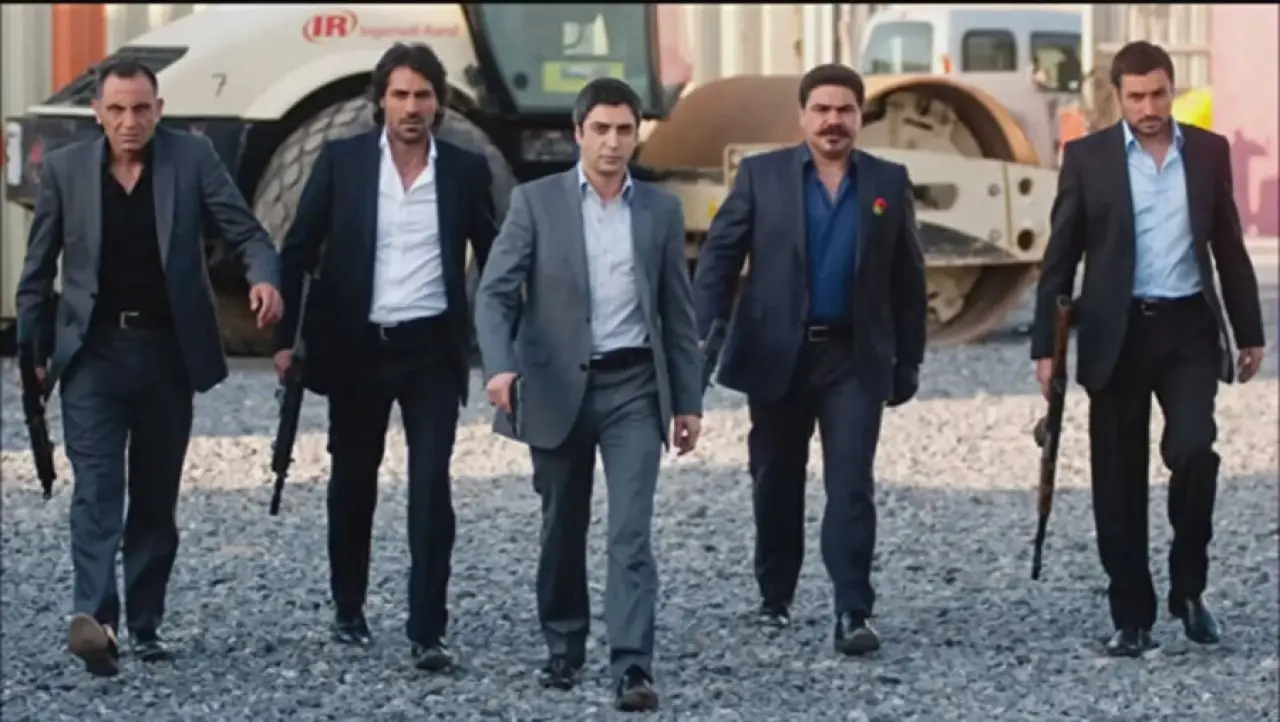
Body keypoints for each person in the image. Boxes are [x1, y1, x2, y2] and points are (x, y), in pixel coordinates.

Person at [14, 59, 283, 677]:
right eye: (116, 110)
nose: (129, 121)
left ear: (159, 110)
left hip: (166, 352)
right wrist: (33, 354)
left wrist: (264, 280)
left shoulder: (192, 159)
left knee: (156, 498)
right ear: (98, 114)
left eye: (141, 109)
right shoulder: (66, 171)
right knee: (96, 490)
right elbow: (37, 273)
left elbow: (247, 233)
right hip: (93, 353)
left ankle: (144, 622)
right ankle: (96, 623)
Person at [1030, 41, 1265, 658]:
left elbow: (1228, 246)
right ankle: (1131, 616)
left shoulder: (1207, 152)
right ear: (1118, 96)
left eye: (1159, 94)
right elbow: (1060, 257)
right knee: (1117, 479)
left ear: (1172, 89)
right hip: (1116, 333)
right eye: (1136, 97)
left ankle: (1189, 590)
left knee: (1195, 452)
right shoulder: (1088, 158)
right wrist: (1046, 349)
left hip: (1188, 329)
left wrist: (1250, 331)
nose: (1149, 107)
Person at [474, 78, 702, 712]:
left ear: (637, 135)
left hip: (634, 388)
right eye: (600, 129)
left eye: (624, 130)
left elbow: (676, 313)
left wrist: (687, 401)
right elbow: (494, 293)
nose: (612, 142)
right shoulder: (535, 203)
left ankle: (632, 664)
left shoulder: (659, 212)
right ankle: (564, 644)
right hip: (553, 387)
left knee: (630, 531)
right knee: (562, 524)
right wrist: (500, 368)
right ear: (578, 133)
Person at [273, 42, 497, 672]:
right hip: (357, 348)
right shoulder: (342, 162)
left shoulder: (463, 171)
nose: (411, 107)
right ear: (381, 101)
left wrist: (512, 341)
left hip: (431, 351)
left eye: (423, 95)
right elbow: (298, 248)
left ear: (439, 103)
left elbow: (496, 255)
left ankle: (428, 629)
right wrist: (285, 339)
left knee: (430, 487)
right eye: (400, 95)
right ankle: (349, 607)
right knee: (352, 482)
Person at [692, 64, 927, 655]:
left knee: (851, 484)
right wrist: (700, 339)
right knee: (776, 478)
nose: (832, 121)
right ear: (801, 116)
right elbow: (720, 260)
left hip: (853, 357)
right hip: (778, 354)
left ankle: (853, 610)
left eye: (844, 110)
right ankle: (776, 594)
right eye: (821, 109)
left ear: (860, 117)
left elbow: (908, 279)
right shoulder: (762, 177)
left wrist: (908, 362)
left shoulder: (888, 182)